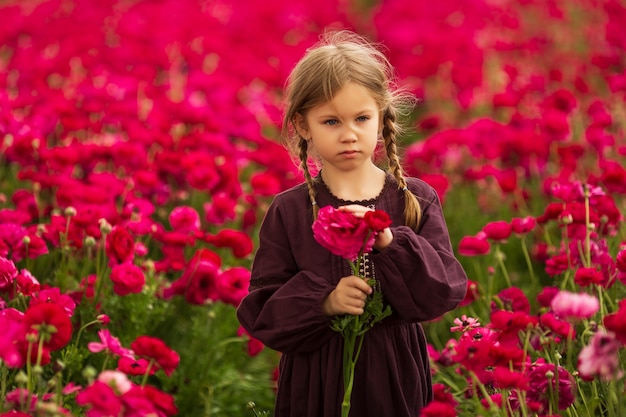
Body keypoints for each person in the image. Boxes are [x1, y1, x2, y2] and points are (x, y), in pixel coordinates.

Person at [237, 30, 468, 417]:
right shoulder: (289, 211)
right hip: (317, 379)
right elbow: (262, 312)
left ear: (381, 117)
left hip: (394, 373)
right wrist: (324, 302)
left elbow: (442, 291)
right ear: (303, 125)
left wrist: (392, 244)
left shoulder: (413, 199)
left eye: (361, 118)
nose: (348, 135)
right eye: (330, 121)